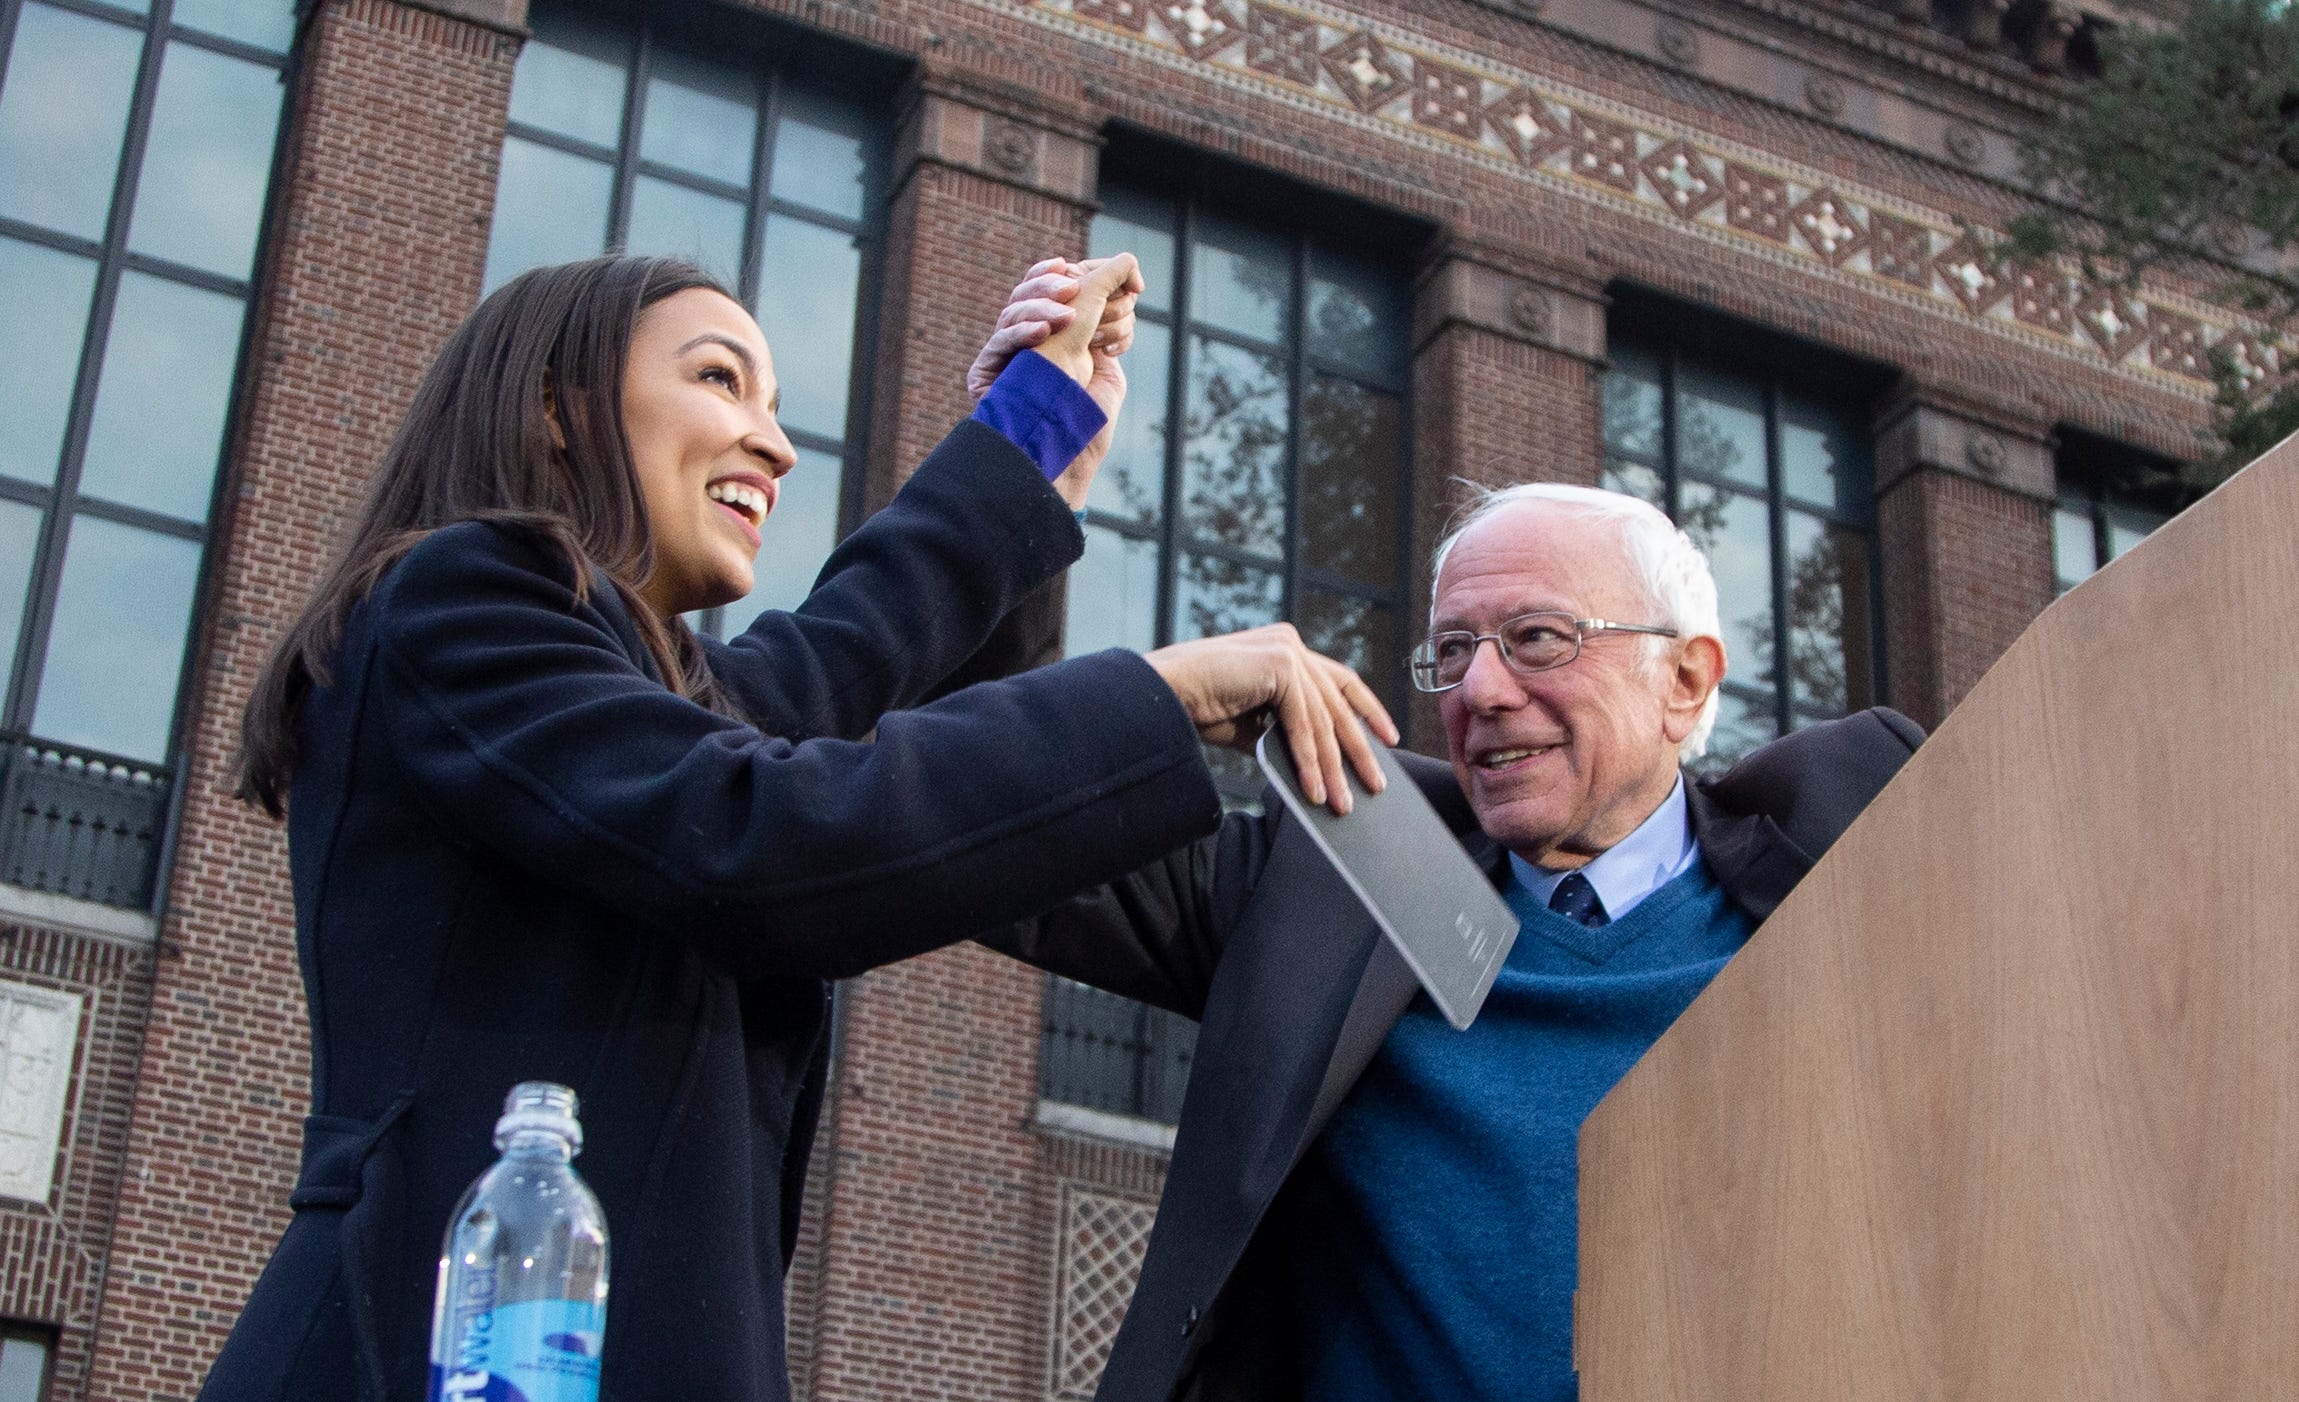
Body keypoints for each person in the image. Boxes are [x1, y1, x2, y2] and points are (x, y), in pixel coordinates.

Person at [202, 252, 1396, 1402]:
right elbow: (772, 836)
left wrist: (1030, 437)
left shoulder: (668, 707)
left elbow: (853, 649)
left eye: (775, 403)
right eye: (720, 379)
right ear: (560, 407)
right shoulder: (460, 595)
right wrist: (1164, 691)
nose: (774, 442)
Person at [991, 482, 1925, 1402]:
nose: (1479, 688)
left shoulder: (1853, 875)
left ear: (1683, 681)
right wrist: (1036, 483)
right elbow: (982, 833)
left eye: (1537, 639)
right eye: (1451, 649)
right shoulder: (1337, 888)